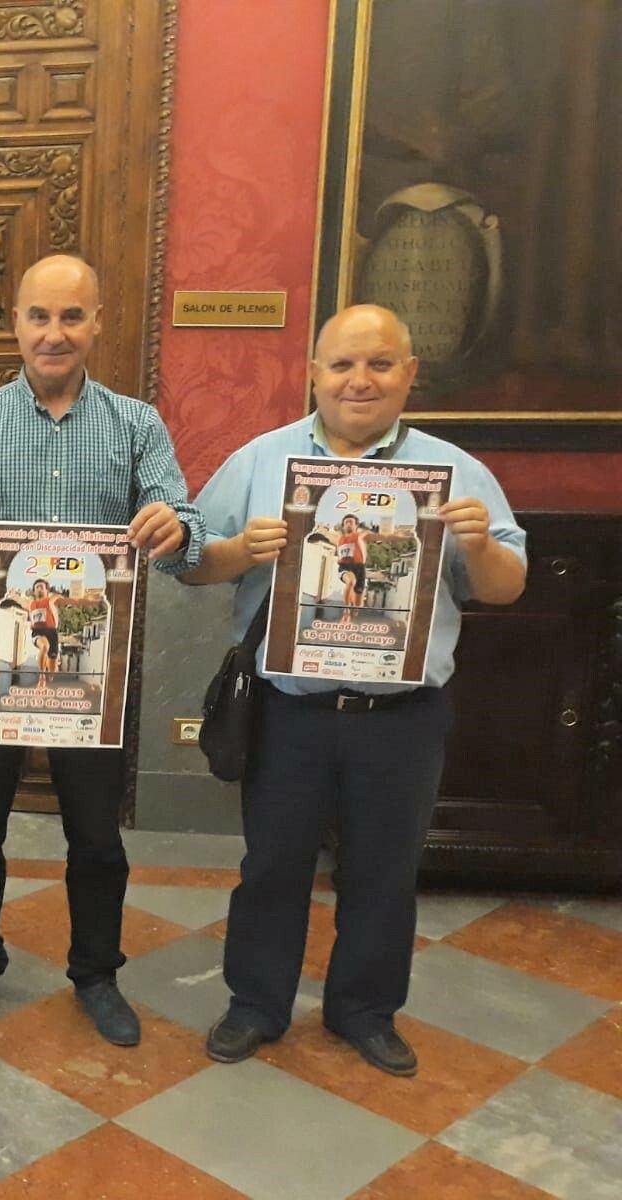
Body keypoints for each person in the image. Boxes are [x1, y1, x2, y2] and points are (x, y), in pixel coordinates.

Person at [183, 303, 526, 1076]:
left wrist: (476, 544)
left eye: (378, 364)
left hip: (401, 716)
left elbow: (506, 586)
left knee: (384, 869)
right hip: (290, 710)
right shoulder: (262, 460)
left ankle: (364, 1011)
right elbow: (193, 563)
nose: (358, 380)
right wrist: (240, 549)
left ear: (409, 374)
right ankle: (256, 1004)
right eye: (341, 364)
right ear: (313, 372)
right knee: (272, 864)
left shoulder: (454, 473)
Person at [0, 254, 204, 1044]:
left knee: (96, 830)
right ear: (17, 324)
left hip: (91, 662)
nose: (54, 334)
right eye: (40, 316)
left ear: (98, 322)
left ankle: (97, 972)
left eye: (72, 317)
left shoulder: (137, 426)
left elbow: (188, 537)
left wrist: (175, 529)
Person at [335, 514, 371, 622]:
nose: (348, 524)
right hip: (345, 566)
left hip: (359, 568)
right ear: (343, 526)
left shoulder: (360, 535)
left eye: (351, 522)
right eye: (346, 522)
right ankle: (346, 611)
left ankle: (354, 605)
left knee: (358, 605)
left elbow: (375, 535)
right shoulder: (339, 538)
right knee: (351, 581)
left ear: (356, 526)